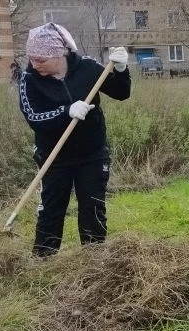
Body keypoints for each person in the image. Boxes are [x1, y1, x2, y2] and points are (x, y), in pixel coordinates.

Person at [17, 22, 132, 258]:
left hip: (92, 153)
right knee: (51, 209)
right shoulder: (29, 80)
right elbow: (33, 117)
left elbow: (121, 93)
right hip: (54, 157)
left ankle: (93, 259)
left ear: (59, 53)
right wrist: (65, 111)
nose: (34, 64)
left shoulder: (88, 68)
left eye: (41, 59)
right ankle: (44, 260)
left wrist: (121, 70)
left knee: (92, 205)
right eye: (32, 58)